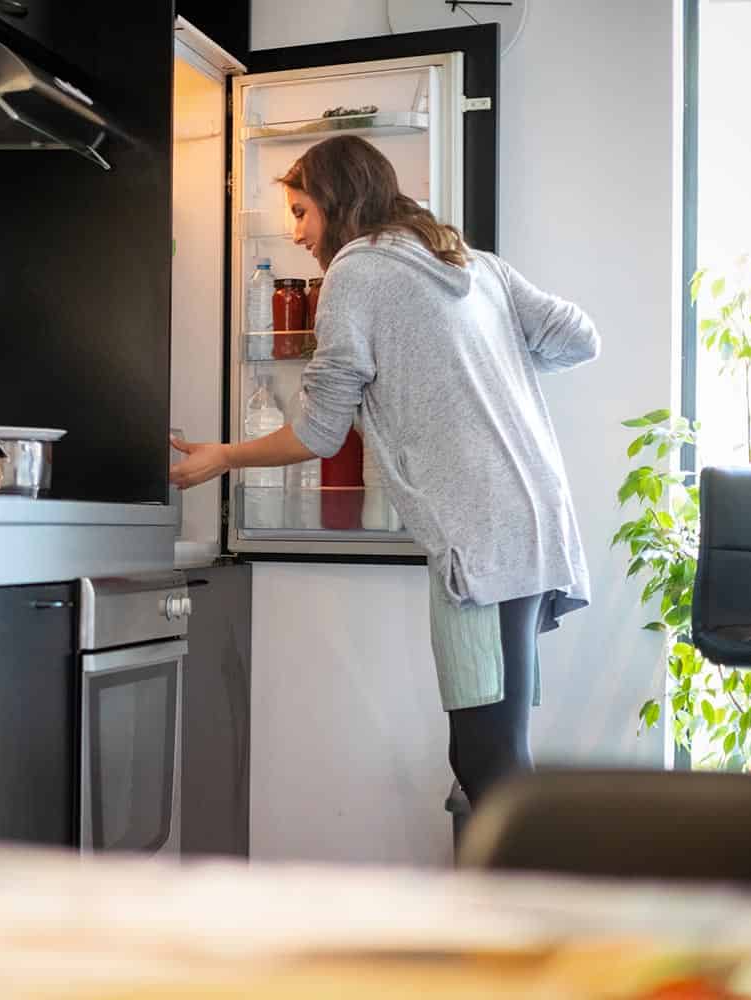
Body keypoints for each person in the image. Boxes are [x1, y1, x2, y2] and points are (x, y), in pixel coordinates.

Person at [170, 136, 599, 809]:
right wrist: (486, 364)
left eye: (302, 211)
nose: (297, 231)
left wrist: (222, 456)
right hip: (536, 518)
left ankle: (542, 908)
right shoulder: (475, 264)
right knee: (496, 753)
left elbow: (318, 429)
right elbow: (579, 336)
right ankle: (529, 903)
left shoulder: (356, 272)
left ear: (338, 202)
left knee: (487, 761)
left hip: (477, 535)